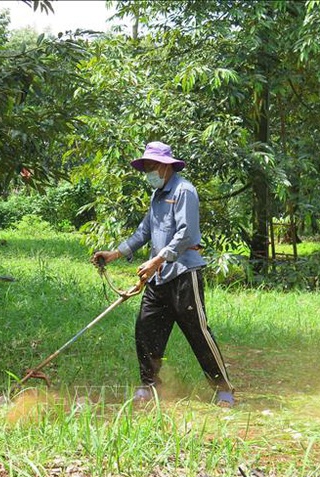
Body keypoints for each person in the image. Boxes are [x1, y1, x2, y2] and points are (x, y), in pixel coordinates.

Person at [92, 141, 235, 407]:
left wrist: (157, 260)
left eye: (152, 166)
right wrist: (115, 254)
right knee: (146, 330)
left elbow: (186, 234)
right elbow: (144, 231)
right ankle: (149, 385)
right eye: (146, 166)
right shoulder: (156, 196)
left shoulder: (184, 191)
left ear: (167, 167)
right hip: (158, 278)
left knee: (197, 332)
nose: (149, 171)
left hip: (183, 273)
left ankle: (223, 388)